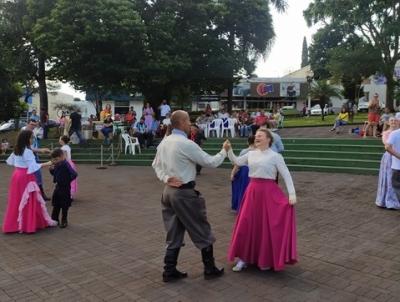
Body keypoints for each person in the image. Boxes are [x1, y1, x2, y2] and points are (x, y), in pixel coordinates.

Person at [152, 110, 229, 282]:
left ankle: (169, 270)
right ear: (183, 122)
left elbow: (155, 165)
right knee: (201, 228)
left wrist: (166, 178)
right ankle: (209, 268)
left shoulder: (165, 142)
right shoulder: (185, 143)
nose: (190, 125)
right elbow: (211, 162)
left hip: (168, 192)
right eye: (188, 121)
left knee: (173, 231)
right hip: (184, 193)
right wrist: (224, 151)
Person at [225, 128, 297, 272]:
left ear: (268, 139)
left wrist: (292, 194)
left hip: (269, 193)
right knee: (246, 224)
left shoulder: (275, 156)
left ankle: (265, 259)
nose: (257, 137)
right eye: (256, 135)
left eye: (260, 136)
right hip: (252, 191)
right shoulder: (250, 154)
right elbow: (237, 161)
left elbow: (286, 174)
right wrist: (229, 150)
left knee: (266, 226)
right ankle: (243, 259)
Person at [3, 130, 57, 233]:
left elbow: (11, 161)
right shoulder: (27, 151)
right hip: (25, 177)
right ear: (26, 139)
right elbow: (33, 166)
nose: (33, 139)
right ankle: (28, 225)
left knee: (16, 200)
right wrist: (48, 163)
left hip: (17, 176)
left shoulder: (18, 148)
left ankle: (14, 224)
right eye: (31, 137)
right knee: (29, 199)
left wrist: (40, 151)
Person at [22, 119, 51, 201]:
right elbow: (28, 148)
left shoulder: (32, 132)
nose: (33, 126)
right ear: (27, 123)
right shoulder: (23, 132)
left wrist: (40, 150)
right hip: (28, 157)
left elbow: (33, 145)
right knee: (35, 174)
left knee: (37, 175)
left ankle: (39, 194)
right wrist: (41, 150)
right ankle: (37, 194)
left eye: (34, 125)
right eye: (31, 124)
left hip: (33, 155)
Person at [49, 148, 78, 228]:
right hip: (58, 186)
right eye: (54, 160)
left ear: (61, 157)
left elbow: (74, 174)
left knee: (64, 204)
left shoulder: (66, 164)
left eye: (56, 159)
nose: (55, 161)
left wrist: (67, 180)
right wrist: (51, 170)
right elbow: (55, 174)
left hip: (65, 188)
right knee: (56, 204)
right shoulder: (57, 164)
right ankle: (54, 219)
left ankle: (64, 220)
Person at [376, 117, 400, 209]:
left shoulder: (397, 133)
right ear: (389, 123)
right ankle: (388, 199)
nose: (393, 122)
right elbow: (386, 144)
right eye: (391, 121)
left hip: (395, 156)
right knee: (389, 177)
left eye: (395, 120)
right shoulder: (386, 133)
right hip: (389, 157)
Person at [230, 136, 255, 212]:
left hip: (244, 172)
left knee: (242, 189)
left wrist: (232, 173)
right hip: (254, 172)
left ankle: (241, 207)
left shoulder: (244, 151)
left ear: (248, 142)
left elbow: (237, 164)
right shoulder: (259, 151)